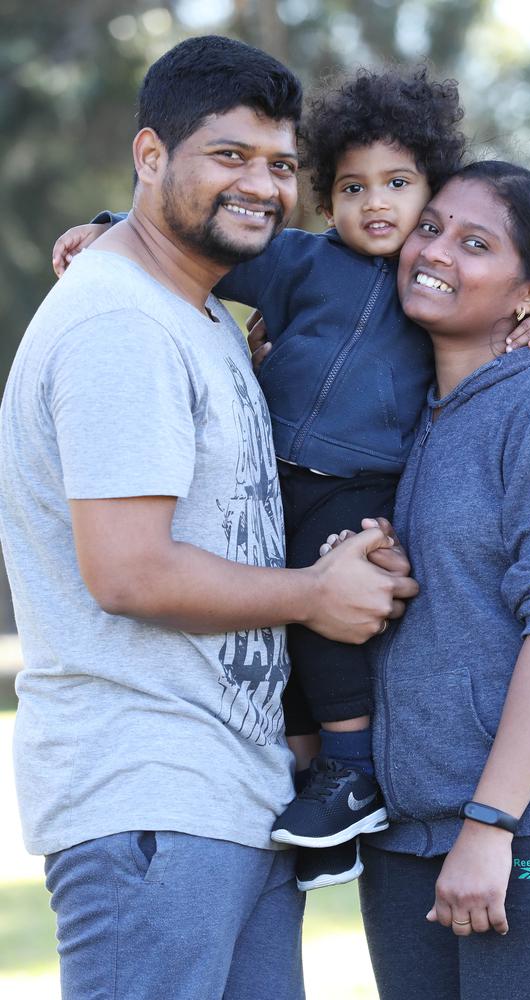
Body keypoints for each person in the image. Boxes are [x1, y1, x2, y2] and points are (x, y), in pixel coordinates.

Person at [51, 68, 530, 893]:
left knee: (333, 617)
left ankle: (350, 766)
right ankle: (317, 794)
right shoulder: (297, 263)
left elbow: (497, 327)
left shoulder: (426, 289)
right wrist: (107, 226)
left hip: (359, 484)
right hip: (277, 475)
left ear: (429, 197)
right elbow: (192, 244)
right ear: (325, 200)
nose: (377, 204)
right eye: (352, 186)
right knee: (282, 626)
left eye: (400, 187)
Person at [0, 35, 420, 1000]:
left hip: (237, 794)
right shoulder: (121, 323)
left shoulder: (195, 315)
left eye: (279, 165)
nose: (262, 187)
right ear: (151, 156)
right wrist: (317, 594)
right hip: (148, 793)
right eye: (229, 157)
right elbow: (130, 572)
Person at [339, 161, 530, 999]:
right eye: (431, 226)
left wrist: (492, 822)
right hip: (411, 834)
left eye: (476, 243)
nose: (435, 250)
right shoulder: (406, 414)